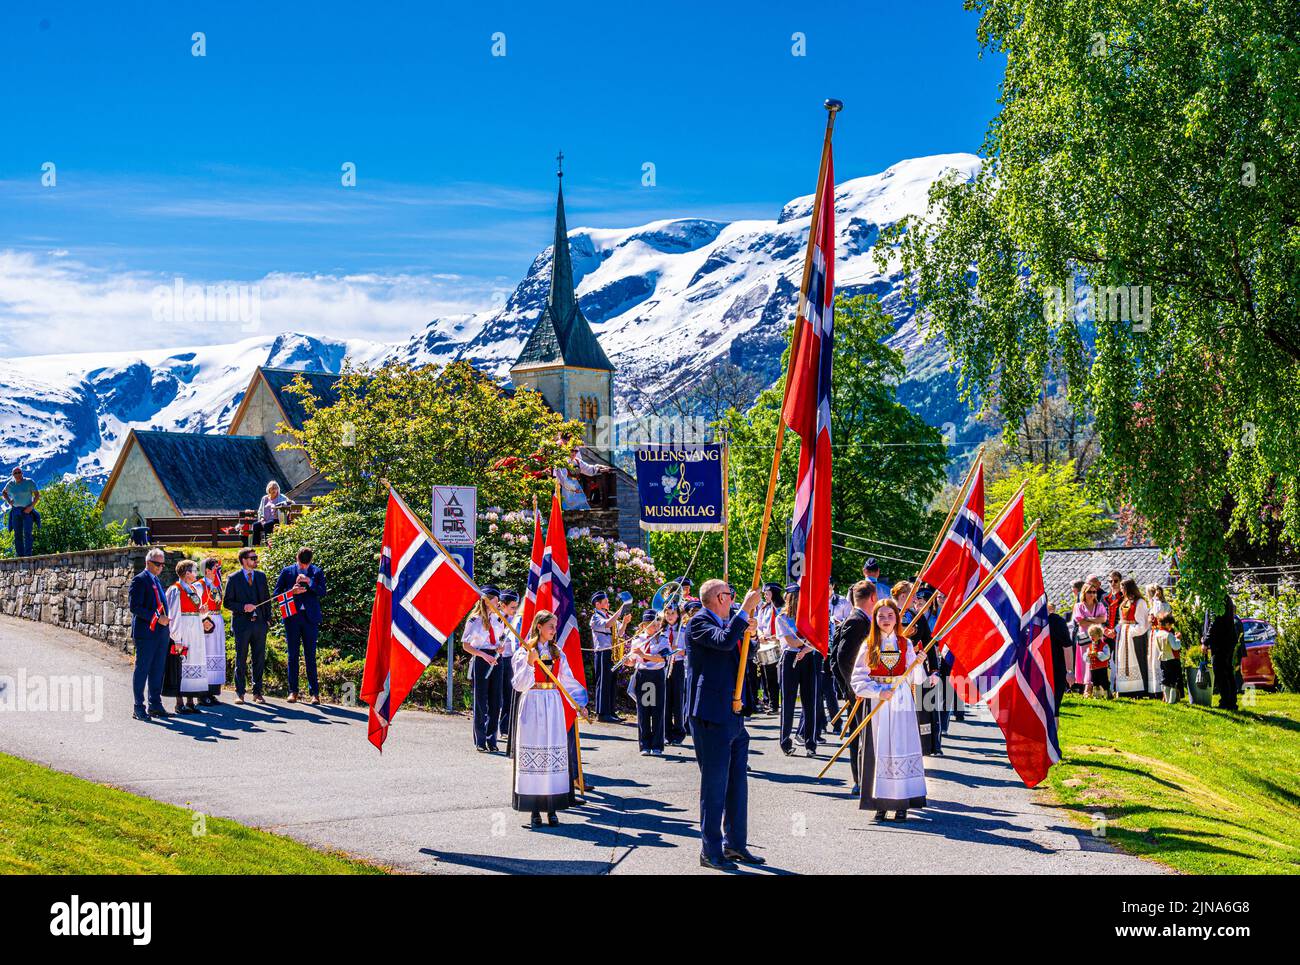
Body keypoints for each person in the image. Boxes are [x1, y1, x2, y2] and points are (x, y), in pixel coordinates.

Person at [685, 577, 764, 870]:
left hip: (734, 711)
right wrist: (744, 612)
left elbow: (742, 654)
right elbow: (723, 642)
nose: (733, 599)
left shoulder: (729, 622)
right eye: (730, 595)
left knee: (736, 784)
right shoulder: (698, 622)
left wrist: (750, 636)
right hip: (710, 714)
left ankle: (735, 844)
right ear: (720, 597)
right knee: (714, 786)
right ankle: (710, 850)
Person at [850, 598, 927, 822]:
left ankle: (902, 804)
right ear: (874, 619)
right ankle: (880, 805)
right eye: (881, 616)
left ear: (897, 618)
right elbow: (858, 677)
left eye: (890, 616)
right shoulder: (869, 644)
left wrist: (919, 663)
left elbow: (916, 679)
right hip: (879, 702)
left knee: (901, 746)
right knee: (880, 748)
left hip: (901, 699)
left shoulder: (905, 644)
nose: (885, 620)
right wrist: (877, 692)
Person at [511, 610, 588, 828]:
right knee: (535, 750)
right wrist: (529, 662)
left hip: (552, 703)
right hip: (533, 702)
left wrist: (579, 703)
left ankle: (551, 808)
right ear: (539, 626)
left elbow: (567, 680)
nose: (555, 630)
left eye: (555, 626)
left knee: (551, 751)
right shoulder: (524, 651)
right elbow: (518, 684)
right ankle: (534, 809)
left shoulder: (557, 652)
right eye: (551, 626)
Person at [831, 580, 875, 794]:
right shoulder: (857, 621)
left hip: (859, 688)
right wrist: (854, 688)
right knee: (861, 736)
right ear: (873, 598)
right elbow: (841, 658)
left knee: (862, 735)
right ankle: (860, 781)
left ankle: (863, 780)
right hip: (859, 690)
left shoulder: (859, 619)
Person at [275, 546, 327, 705]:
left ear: (311, 561)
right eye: (301, 564)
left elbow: (322, 592)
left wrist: (310, 582)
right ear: (296, 558)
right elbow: (276, 593)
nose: (303, 567)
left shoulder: (317, 572)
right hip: (292, 617)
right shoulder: (287, 571)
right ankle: (293, 691)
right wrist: (292, 592)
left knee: (310, 655)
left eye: (306, 565)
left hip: (310, 618)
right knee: (292, 655)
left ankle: (315, 693)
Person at [894, 581, 941, 756]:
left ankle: (923, 746)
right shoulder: (887, 613)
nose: (915, 600)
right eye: (913, 595)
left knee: (920, 710)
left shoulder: (917, 615)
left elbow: (928, 642)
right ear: (904, 595)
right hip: (892, 671)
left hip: (915, 669)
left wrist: (934, 669)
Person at [776, 584, 820, 757]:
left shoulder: (810, 616)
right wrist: (807, 643)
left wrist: (807, 648)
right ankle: (785, 742)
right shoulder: (782, 618)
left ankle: (811, 743)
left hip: (808, 657)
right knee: (788, 701)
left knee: (810, 701)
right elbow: (791, 642)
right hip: (790, 658)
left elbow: (817, 639)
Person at [223, 546, 271, 704]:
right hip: (242, 625)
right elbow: (227, 602)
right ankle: (240, 693)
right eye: (253, 558)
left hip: (260, 624)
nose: (256, 560)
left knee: (259, 658)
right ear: (244, 560)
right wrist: (243, 607)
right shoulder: (233, 578)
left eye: (256, 557)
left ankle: (257, 693)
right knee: (241, 658)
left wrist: (268, 619)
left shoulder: (261, 576)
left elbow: (267, 599)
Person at [128, 548, 171, 721]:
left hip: (161, 633)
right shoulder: (139, 580)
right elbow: (135, 607)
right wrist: (156, 618)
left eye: (162, 564)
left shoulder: (156, 580)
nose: (161, 567)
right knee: (142, 669)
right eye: (157, 564)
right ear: (148, 562)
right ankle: (138, 707)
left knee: (158, 669)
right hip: (146, 632)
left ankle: (155, 704)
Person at [463, 587, 504, 752]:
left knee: (496, 702)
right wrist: (482, 655)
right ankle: (480, 740)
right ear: (487, 600)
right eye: (496, 600)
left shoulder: (499, 619)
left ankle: (491, 739)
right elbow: (466, 645)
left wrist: (500, 647)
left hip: (495, 659)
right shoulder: (474, 620)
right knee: (481, 701)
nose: (499, 603)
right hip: (481, 660)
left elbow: (499, 638)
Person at [166, 560, 210, 714]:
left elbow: (196, 610)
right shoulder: (175, 590)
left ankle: (191, 701)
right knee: (181, 664)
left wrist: (203, 611)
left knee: (194, 661)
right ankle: (179, 702)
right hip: (184, 629)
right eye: (194, 570)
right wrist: (177, 639)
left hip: (195, 630)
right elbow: (174, 615)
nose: (197, 574)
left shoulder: (193, 589)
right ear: (186, 573)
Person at [629, 610, 669, 755]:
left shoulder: (663, 639)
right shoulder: (637, 639)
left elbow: (662, 658)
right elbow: (633, 660)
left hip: (656, 675)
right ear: (644, 625)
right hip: (643, 675)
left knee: (657, 710)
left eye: (657, 623)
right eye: (652, 624)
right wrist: (628, 661)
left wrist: (643, 655)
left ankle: (657, 746)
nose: (656, 626)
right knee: (644, 710)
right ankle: (645, 745)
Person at [589, 591, 632, 723]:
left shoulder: (609, 616)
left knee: (612, 682)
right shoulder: (595, 617)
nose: (608, 603)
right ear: (598, 604)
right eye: (605, 602)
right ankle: (602, 713)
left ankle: (611, 711)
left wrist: (624, 623)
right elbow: (607, 624)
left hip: (612, 653)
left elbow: (619, 633)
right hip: (602, 652)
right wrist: (621, 609)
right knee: (603, 681)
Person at [1113, 579, 1152, 696]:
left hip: (1136, 637)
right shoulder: (1124, 602)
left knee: (1137, 660)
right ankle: (1124, 689)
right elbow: (1122, 620)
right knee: (1123, 661)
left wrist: (1131, 631)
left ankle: (1138, 690)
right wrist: (1118, 629)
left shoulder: (1140, 602)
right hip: (1124, 635)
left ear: (1128, 588)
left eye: (1122, 588)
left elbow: (1143, 623)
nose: (1121, 590)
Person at [1203, 595, 1240, 710]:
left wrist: (1205, 641)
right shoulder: (1226, 597)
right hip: (1228, 639)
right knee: (1228, 671)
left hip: (1220, 641)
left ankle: (1225, 702)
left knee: (1220, 672)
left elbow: (1214, 622)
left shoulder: (1216, 599)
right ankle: (1231, 701)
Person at [753, 582, 784, 713]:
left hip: (780, 644)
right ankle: (773, 704)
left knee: (780, 677)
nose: (765, 596)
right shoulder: (763, 608)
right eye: (765, 593)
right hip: (766, 645)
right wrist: (760, 635)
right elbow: (759, 626)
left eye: (768, 593)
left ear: (775, 593)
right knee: (768, 677)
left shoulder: (782, 608)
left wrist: (777, 636)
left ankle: (784, 703)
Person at [1073, 580, 1109, 690]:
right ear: (1084, 593)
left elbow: (1103, 618)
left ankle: (1093, 687)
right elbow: (1080, 622)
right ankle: (1086, 686)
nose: (1092, 594)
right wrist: (1096, 620)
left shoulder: (1099, 606)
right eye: (1090, 592)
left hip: (1097, 638)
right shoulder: (1079, 606)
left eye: (1094, 592)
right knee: (1086, 661)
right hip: (1084, 637)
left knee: (1096, 661)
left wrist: (1088, 619)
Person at [496, 590, 521, 746]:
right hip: (496, 659)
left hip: (509, 660)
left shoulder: (514, 620)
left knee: (508, 694)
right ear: (503, 605)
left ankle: (505, 728)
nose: (515, 610)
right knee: (495, 696)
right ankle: (489, 727)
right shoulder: (495, 618)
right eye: (512, 607)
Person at [200, 558, 226, 705]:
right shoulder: (200, 585)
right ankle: (202, 693)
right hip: (206, 620)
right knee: (206, 655)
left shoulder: (215, 585)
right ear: (207, 570)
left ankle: (213, 691)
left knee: (216, 654)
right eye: (215, 569)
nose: (217, 572)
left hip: (217, 619)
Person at [661, 602, 688, 745]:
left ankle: (679, 733)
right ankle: (666, 733)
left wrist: (680, 650)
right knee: (665, 700)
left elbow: (689, 651)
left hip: (678, 666)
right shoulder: (661, 630)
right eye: (667, 613)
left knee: (678, 701)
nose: (670, 616)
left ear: (678, 615)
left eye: (673, 613)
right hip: (664, 665)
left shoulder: (683, 631)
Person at [2, 467, 40, 558]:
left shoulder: (29, 482)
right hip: (16, 511)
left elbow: (37, 495)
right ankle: (20, 556)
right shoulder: (10, 484)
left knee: (27, 533)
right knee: (17, 534)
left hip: (27, 511)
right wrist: (9, 501)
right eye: (15, 473)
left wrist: (31, 507)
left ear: (22, 473)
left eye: (19, 472)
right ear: (13, 475)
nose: (17, 474)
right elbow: (4, 492)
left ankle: (28, 555)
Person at [1046, 602, 1071, 712]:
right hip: (1034, 672)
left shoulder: (1057, 622)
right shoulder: (1027, 620)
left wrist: (1070, 671)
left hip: (1056, 670)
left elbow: (1067, 646)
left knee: (1054, 710)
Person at [1152, 612, 1182, 704]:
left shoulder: (1157, 634)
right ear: (1167, 624)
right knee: (1173, 679)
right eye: (1171, 624)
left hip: (1163, 659)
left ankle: (1166, 698)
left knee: (1165, 679)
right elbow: (1175, 647)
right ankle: (1171, 700)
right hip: (1172, 659)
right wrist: (1178, 638)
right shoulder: (1169, 635)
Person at [253, 480, 293, 545]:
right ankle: (256, 544)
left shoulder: (282, 497)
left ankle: (268, 544)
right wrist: (262, 519)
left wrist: (285, 505)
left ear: (278, 489)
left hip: (276, 520)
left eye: (275, 488)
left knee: (267, 525)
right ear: (269, 490)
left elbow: (291, 503)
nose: (274, 490)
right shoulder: (264, 498)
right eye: (272, 488)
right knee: (255, 525)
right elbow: (260, 511)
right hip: (265, 520)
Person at [1065, 579, 1085, 690]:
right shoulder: (1079, 598)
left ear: (1075, 589)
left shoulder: (1079, 599)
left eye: (1072, 588)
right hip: (1075, 628)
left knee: (1076, 655)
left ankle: (1077, 684)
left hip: (1078, 631)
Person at [1084, 625, 1112, 698]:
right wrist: (1088, 655)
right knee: (1095, 682)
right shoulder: (1090, 646)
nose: (1092, 637)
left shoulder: (1104, 645)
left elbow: (1107, 655)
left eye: (1094, 635)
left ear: (1099, 635)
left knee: (1104, 681)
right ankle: (1097, 695)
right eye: (1090, 635)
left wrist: (1097, 654)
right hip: (1093, 667)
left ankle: (1108, 694)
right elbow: (1086, 657)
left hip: (1102, 667)